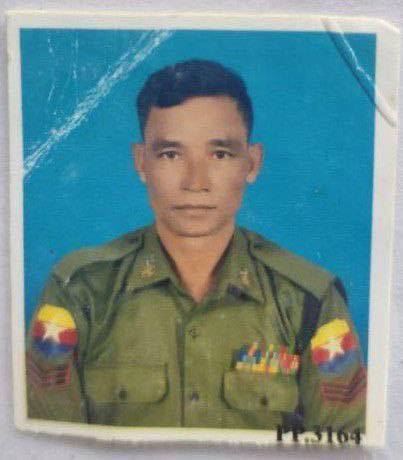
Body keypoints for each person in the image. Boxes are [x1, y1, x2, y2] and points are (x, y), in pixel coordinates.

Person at [26, 59, 366, 433]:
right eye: (171, 154)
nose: (195, 182)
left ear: (252, 163)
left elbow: (343, 447)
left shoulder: (308, 301)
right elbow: (46, 448)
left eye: (219, 154)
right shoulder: (80, 292)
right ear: (141, 163)